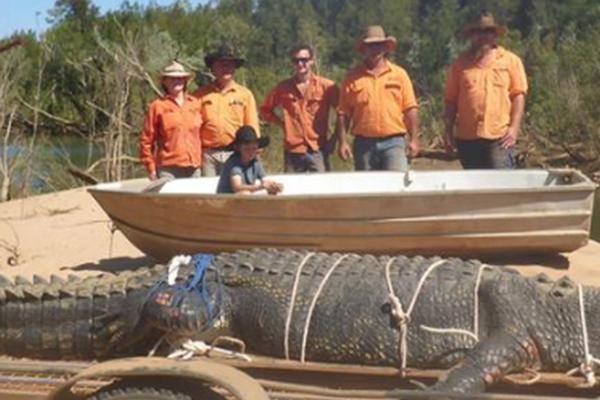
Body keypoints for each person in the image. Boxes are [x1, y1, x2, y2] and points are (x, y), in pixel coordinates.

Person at [444, 11, 528, 169]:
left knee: (501, 187)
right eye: (478, 31)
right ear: (471, 35)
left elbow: (518, 96)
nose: (483, 36)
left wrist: (514, 128)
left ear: (495, 35)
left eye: (487, 31)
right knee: (475, 188)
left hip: (500, 138)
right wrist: (448, 132)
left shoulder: (510, 61)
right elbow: (450, 101)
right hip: (467, 139)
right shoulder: (459, 64)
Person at [336, 25, 420, 172]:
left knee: (397, 187)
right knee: (368, 190)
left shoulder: (399, 74)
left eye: (379, 45)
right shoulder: (352, 78)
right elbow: (343, 113)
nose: (375, 49)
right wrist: (342, 142)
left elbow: (410, 109)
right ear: (364, 48)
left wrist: (414, 139)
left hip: (394, 142)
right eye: (371, 45)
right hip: (364, 145)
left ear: (385, 47)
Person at [260, 44, 339, 173]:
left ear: (312, 60)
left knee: (322, 189)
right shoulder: (283, 88)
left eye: (304, 60)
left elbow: (343, 113)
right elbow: (264, 110)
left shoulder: (327, 87)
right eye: (296, 61)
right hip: (293, 150)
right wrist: (282, 124)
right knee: (292, 190)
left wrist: (335, 139)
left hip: (318, 148)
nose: (300, 64)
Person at [194, 44, 260, 177]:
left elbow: (252, 126)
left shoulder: (244, 94)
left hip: (236, 152)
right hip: (208, 155)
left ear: (234, 68)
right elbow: (193, 126)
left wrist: (255, 152)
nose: (226, 68)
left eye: (229, 65)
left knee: (236, 191)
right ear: (213, 69)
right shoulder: (199, 95)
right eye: (221, 64)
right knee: (210, 193)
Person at [139, 61, 202, 180]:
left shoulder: (195, 104)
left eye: (180, 78)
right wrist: (150, 167)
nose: (176, 81)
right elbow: (146, 140)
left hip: (194, 167)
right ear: (165, 82)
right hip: (168, 169)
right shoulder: (157, 106)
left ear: (185, 81)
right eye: (172, 79)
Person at [216, 126, 283, 195]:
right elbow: (236, 187)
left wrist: (273, 186)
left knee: (272, 192)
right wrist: (260, 187)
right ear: (238, 148)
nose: (251, 152)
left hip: (240, 201)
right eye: (247, 149)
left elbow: (265, 180)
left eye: (254, 149)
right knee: (244, 193)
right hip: (225, 202)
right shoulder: (233, 163)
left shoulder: (255, 162)